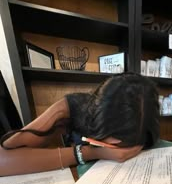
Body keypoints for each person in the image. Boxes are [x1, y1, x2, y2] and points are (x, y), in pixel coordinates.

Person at [0, 73, 160, 176]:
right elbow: (3, 160)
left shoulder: (143, 124)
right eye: (109, 145)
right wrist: (94, 153)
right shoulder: (69, 108)